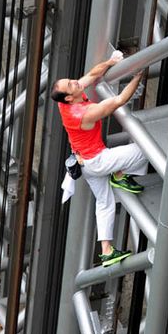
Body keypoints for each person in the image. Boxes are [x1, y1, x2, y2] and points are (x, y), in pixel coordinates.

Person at [51, 51, 148, 266]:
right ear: (69, 97)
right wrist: (137, 76)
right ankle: (121, 175)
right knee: (144, 149)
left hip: (83, 163)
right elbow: (120, 100)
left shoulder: (65, 101)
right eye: (72, 84)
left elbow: (92, 75)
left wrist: (111, 62)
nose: (76, 82)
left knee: (104, 203)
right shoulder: (84, 114)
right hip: (98, 161)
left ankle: (106, 251)